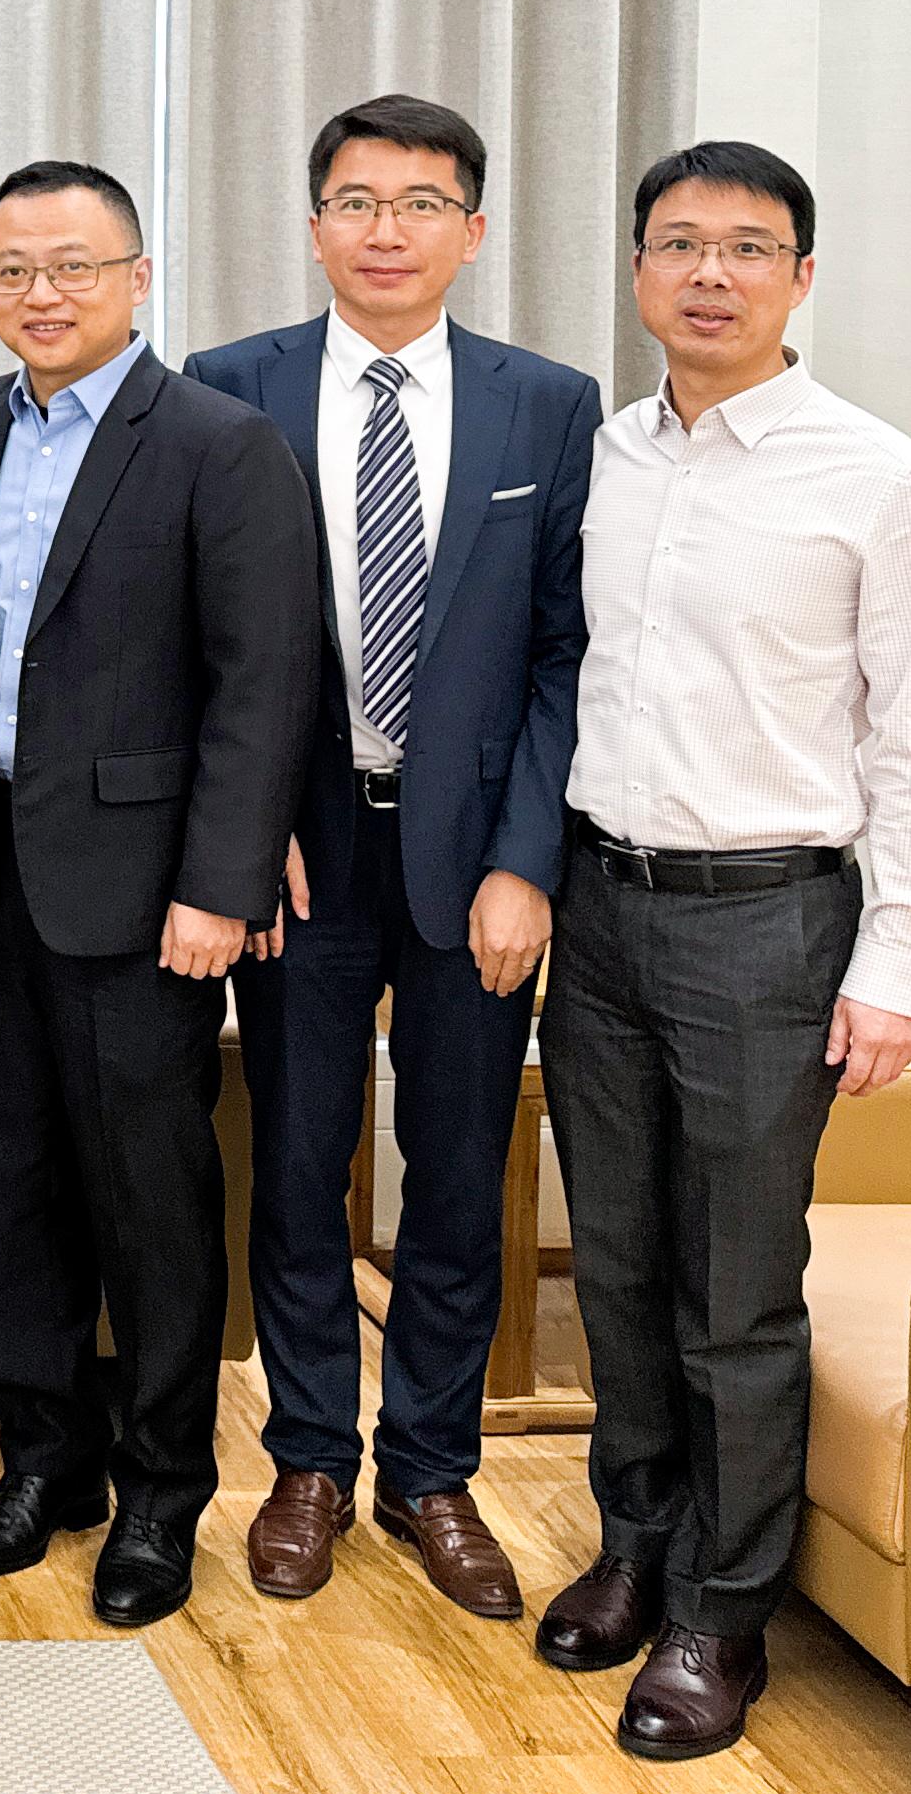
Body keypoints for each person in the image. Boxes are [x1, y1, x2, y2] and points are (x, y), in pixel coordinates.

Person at [537, 140, 911, 1762]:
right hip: (599, 907)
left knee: (734, 1287)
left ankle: (724, 1609)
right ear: (639, 269)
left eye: (747, 247)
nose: (708, 273)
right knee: (618, 1262)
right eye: (678, 243)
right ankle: (636, 1542)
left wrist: (895, 963)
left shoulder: (882, 478)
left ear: (801, 277)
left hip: (767, 920)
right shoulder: (609, 456)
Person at [185, 96, 601, 1622]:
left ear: (472, 233)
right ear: (314, 227)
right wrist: (241, 840)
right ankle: (307, 1459)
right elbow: (201, 643)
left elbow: (566, 652)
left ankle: (433, 1467)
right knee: (297, 1165)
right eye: (357, 202)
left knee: (458, 1169)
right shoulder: (227, 387)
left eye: (422, 204)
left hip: (472, 859)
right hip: (299, 853)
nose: (386, 231)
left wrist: (527, 860)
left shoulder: (547, 405)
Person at [0, 159, 322, 1629]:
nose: (43, 294)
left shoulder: (220, 444)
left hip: (149, 892)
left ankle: (162, 1492)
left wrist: (222, 884)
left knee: (151, 1200)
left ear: (138, 278)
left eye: (74, 267)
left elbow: (263, 683)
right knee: (6, 1185)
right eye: (14, 270)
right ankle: (45, 1461)